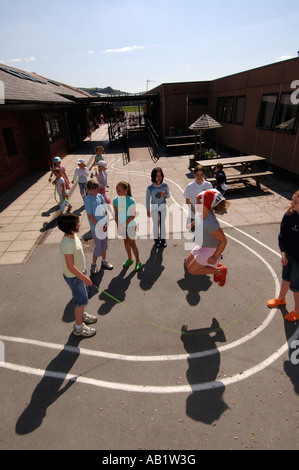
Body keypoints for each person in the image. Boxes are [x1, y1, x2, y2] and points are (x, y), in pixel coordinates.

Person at [57, 213, 97, 337]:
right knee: (80, 302)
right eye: (76, 223)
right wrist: (84, 277)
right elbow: (70, 266)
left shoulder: (73, 236)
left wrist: (84, 270)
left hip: (79, 275)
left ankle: (82, 315)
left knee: (83, 300)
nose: (79, 224)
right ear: (70, 226)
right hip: (75, 278)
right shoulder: (67, 244)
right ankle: (78, 328)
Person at [185, 189, 230, 287]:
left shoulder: (210, 223)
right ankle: (213, 266)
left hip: (211, 249)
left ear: (206, 204)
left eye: (198, 202)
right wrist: (192, 224)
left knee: (192, 270)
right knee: (187, 263)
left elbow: (223, 240)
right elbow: (197, 219)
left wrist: (215, 257)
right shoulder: (199, 213)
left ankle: (219, 271)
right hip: (202, 245)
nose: (196, 203)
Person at [267, 190, 299, 322]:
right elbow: (282, 236)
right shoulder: (288, 215)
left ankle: (297, 310)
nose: (292, 203)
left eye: (296, 202)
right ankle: (281, 299)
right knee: (286, 277)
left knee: (296, 286)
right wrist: (283, 253)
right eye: (292, 200)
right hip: (289, 255)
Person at [84, 180, 113, 274]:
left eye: (97, 189)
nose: (96, 191)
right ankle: (93, 264)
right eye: (94, 190)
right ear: (89, 189)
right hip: (96, 228)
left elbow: (105, 210)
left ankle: (104, 261)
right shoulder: (87, 200)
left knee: (104, 245)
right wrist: (100, 227)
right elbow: (90, 216)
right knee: (98, 248)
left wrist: (106, 223)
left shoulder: (100, 196)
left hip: (103, 226)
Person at [113, 181, 141, 272]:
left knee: (132, 243)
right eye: (117, 190)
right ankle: (129, 259)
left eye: (119, 190)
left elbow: (132, 216)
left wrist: (123, 225)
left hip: (130, 225)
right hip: (122, 226)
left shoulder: (131, 200)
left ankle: (138, 261)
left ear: (126, 190)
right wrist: (118, 225)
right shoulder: (115, 200)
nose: (118, 192)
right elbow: (116, 214)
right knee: (126, 242)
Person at [146, 167, 170, 247]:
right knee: (155, 224)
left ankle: (163, 239)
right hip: (154, 207)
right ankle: (156, 240)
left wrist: (165, 195)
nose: (159, 177)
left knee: (162, 223)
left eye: (160, 176)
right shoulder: (150, 188)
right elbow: (147, 199)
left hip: (163, 206)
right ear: (153, 177)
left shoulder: (165, 185)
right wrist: (148, 209)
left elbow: (168, 195)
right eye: (157, 176)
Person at [183, 164, 213, 231]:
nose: (199, 177)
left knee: (205, 235)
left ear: (204, 174)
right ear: (194, 174)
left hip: (205, 215)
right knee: (195, 236)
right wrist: (195, 212)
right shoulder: (190, 186)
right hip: (193, 215)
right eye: (197, 174)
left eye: (201, 174)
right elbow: (188, 201)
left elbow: (211, 200)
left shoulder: (208, 185)